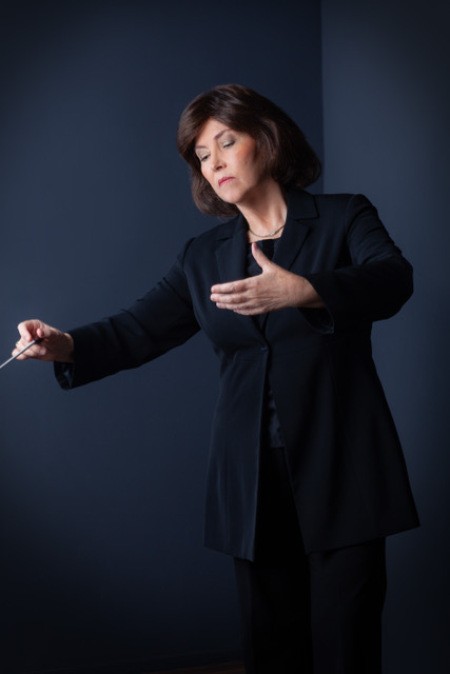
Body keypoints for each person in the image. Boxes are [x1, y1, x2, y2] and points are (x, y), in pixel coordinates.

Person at [13, 84, 419, 674]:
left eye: (226, 142)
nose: (214, 163)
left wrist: (304, 290)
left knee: (346, 644)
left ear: (267, 140)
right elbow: (138, 329)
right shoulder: (202, 256)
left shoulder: (344, 216)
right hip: (251, 477)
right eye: (202, 155)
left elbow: (395, 278)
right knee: (271, 647)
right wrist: (65, 344)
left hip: (343, 467)